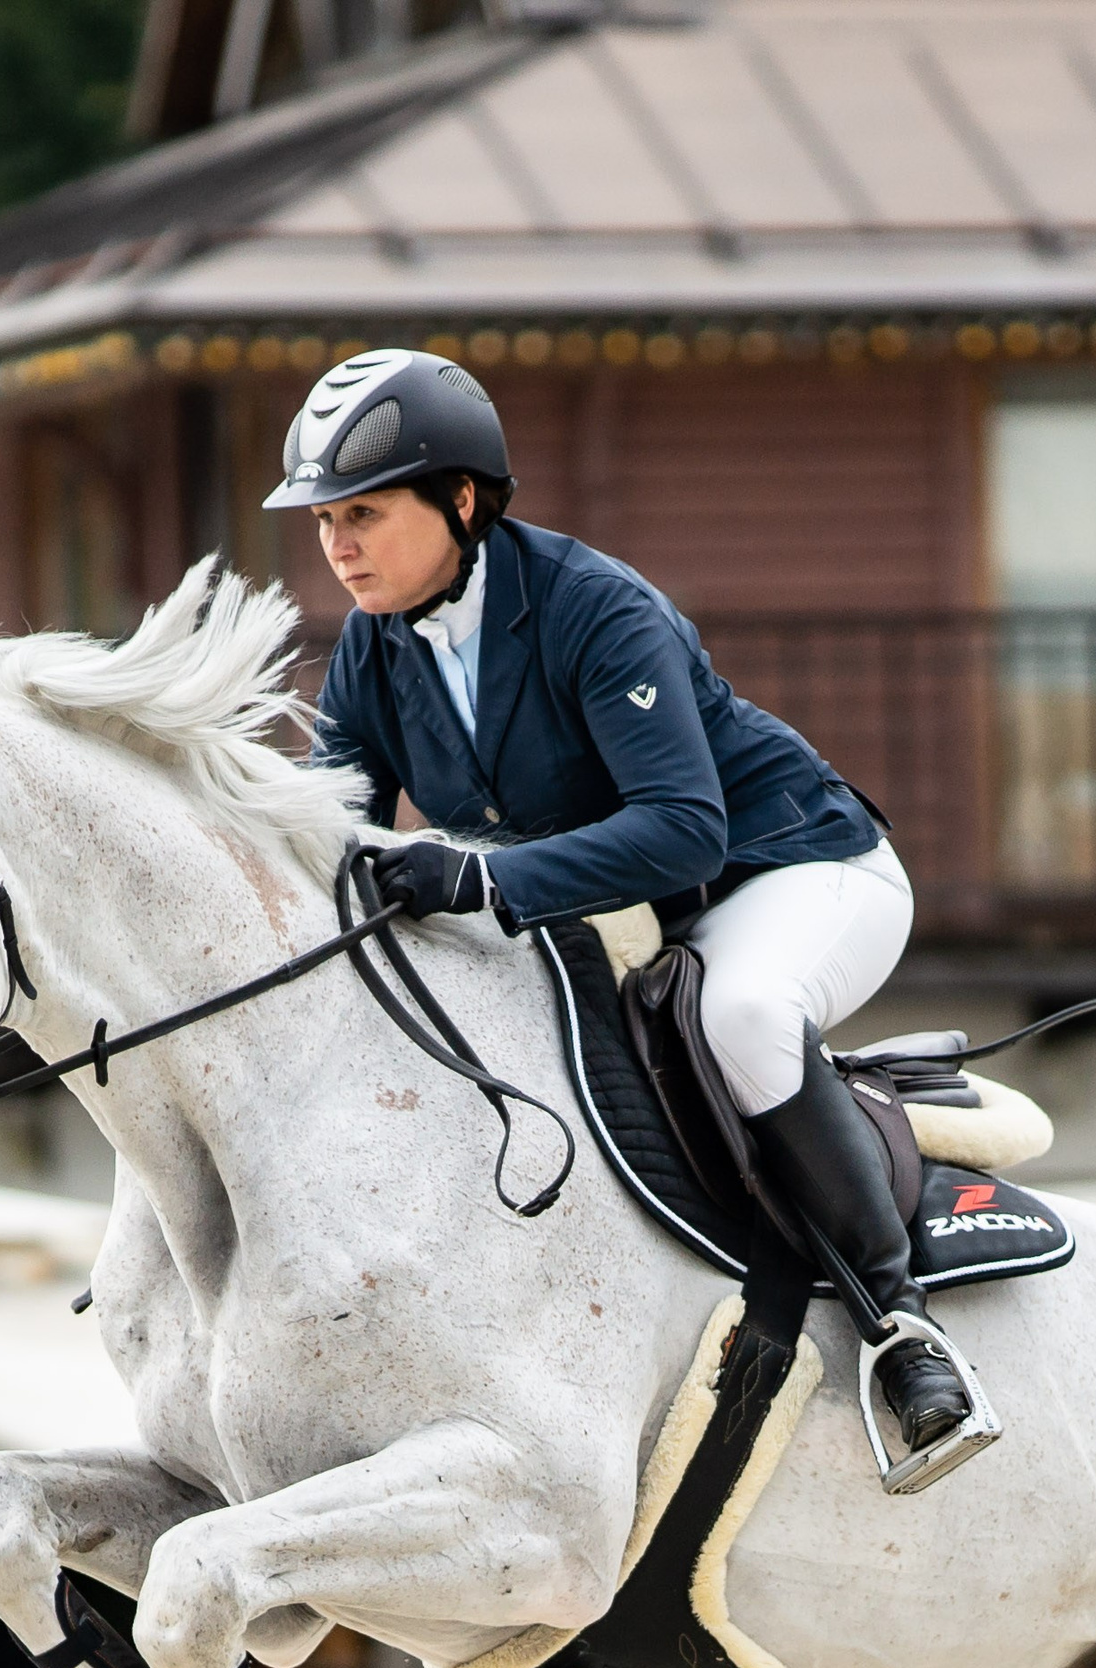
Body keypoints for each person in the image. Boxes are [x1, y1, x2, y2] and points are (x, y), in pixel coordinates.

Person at [272, 347, 978, 1472]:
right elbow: (333, 826)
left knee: (740, 1014)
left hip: (790, 870)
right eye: (322, 521)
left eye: (361, 513)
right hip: (629, 919)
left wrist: (485, 881)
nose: (336, 546)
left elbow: (684, 827)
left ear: (461, 500)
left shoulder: (594, 607)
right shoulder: (370, 647)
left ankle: (903, 1330)